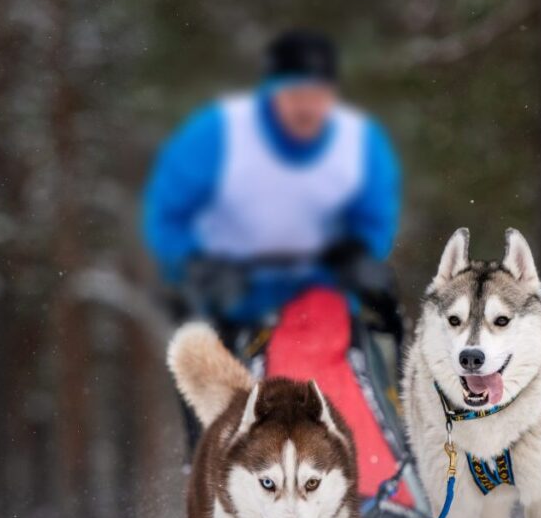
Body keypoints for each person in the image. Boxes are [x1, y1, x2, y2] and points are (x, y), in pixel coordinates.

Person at [143, 29, 401, 325]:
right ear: (271, 91)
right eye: (294, 94)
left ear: (332, 95)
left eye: (316, 95)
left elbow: (373, 219)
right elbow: (167, 214)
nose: (306, 107)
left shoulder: (362, 142)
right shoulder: (216, 132)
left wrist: (359, 253)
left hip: (324, 301)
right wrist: (192, 266)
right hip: (230, 300)